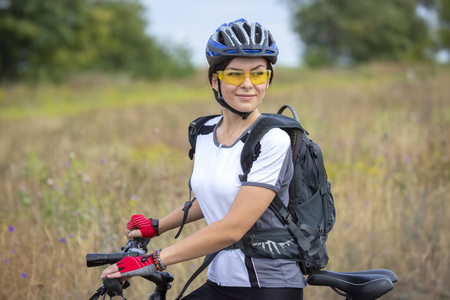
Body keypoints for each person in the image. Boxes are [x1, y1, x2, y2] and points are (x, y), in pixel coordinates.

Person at [101, 18, 306, 300]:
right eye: (235, 75)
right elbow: (216, 194)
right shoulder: (205, 132)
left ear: (268, 80)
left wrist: (152, 260)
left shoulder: (273, 140)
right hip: (219, 281)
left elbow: (233, 226)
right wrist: (159, 225)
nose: (248, 85)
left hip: (267, 287)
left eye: (258, 74)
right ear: (214, 79)